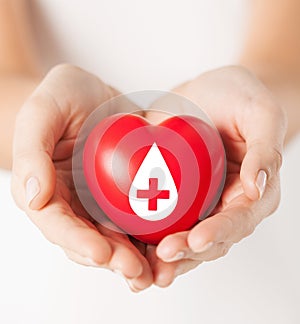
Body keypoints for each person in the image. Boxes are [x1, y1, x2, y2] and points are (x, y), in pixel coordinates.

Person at [0, 0, 299, 296]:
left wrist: (255, 108)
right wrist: (39, 130)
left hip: (261, 272)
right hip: (45, 275)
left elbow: (288, 65)